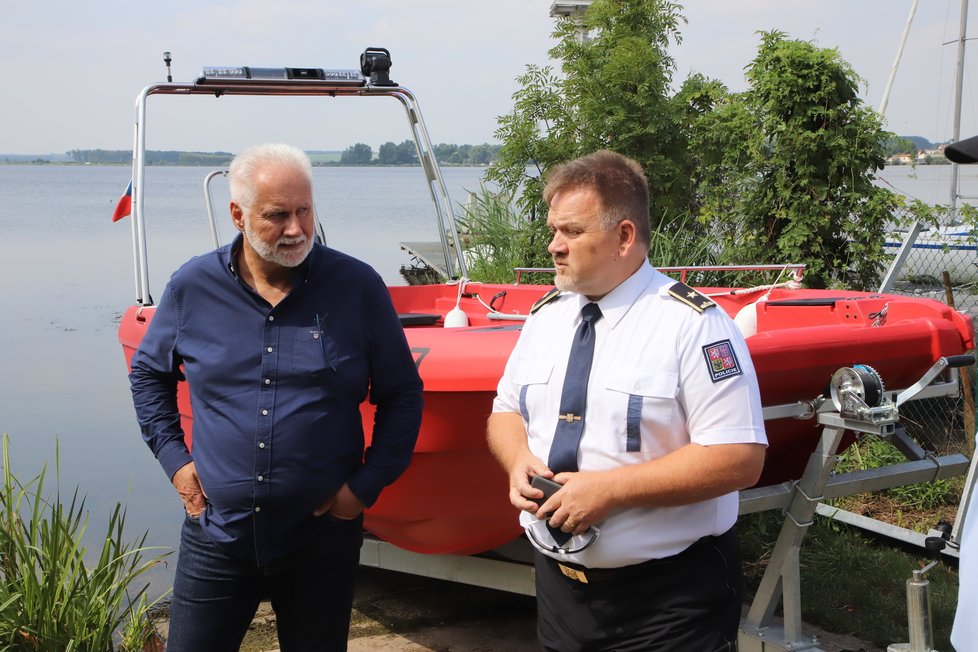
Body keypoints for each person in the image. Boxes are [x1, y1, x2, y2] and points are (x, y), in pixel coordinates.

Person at [129, 143, 424, 652]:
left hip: (321, 540)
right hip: (217, 535)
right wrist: (177, 463)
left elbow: (402, 394)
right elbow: (149, 376)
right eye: (277, 215)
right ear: (238, 215)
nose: (296, 229)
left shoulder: (356, 287)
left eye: (304, 211)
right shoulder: (192, 286)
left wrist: (362, 490)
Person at [487, 150, 768, 651]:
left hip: (668, 603)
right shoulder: (545, 317)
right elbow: (505, 411)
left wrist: (609, 491)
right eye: (553, 230)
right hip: (560, 595)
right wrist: (516, 460)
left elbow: (739, 458)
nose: (554, 246)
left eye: (572, 232)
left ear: (623, 236)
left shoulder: (694, 326)